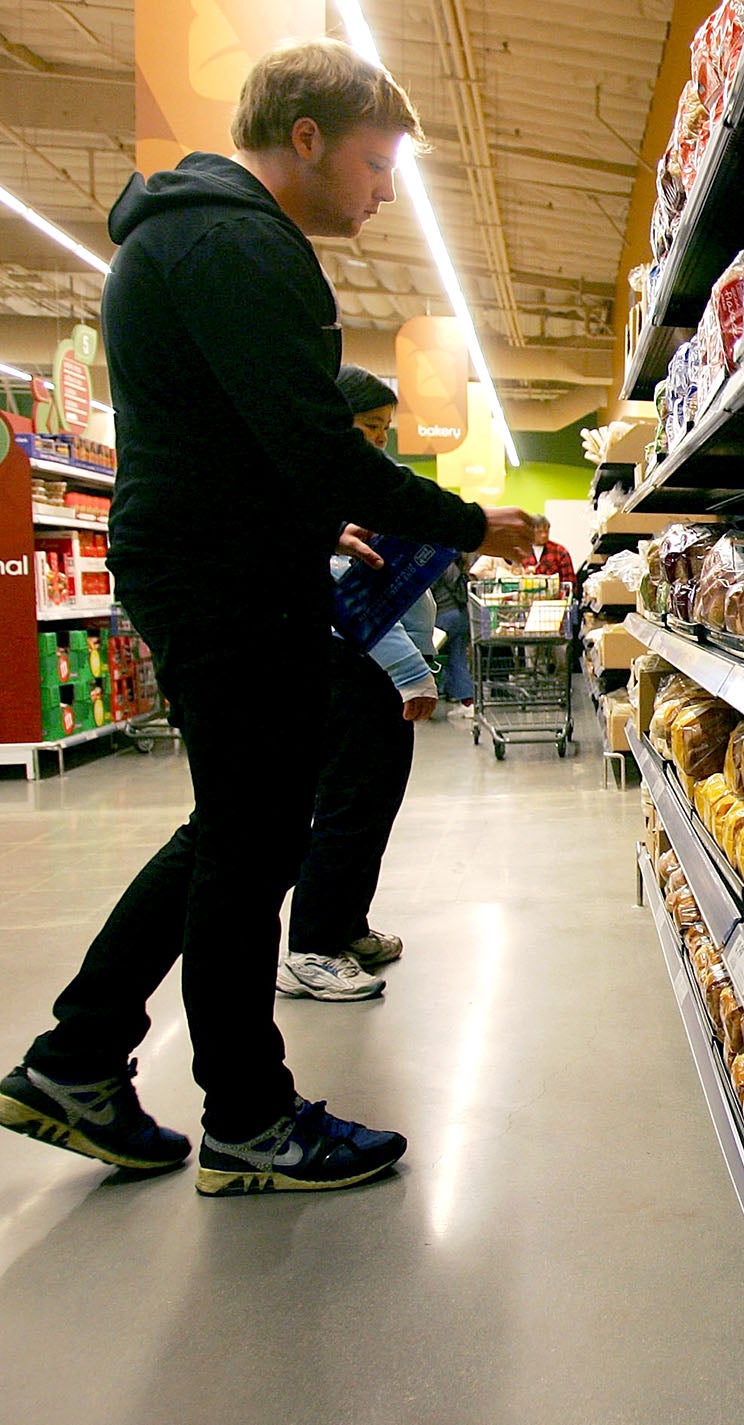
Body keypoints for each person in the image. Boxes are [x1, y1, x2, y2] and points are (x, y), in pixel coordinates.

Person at [0, 38, 534, 1196]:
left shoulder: (186, 234)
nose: (385, 190)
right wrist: (464, 520)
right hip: (222, 581)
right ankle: (247, 1117)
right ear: (307, 137)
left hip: (213, 561)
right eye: (376, 162)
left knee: (239, 832)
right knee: (252, 845)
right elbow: (308, 441)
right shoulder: (241, 243)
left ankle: (78, 1057)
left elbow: (246, 443)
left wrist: (308, 524)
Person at [278, 366, 439, 1002]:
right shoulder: (317, 491)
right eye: (368, 427)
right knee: (347, 806)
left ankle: (344, 927)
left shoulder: (346, 485)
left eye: (383, 431)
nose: (377, 442)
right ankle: (310, 948)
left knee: (373, 805)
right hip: (352, 669)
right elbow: (351, 602)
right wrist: (409, 670)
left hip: (371, 669)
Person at [430, 551, 474, 714]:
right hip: (461, 615)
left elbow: (427, 592)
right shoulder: (455, 565)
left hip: (443, 616)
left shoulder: (436, 564)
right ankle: (465, 699)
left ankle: (429, 697)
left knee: (430, 658)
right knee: (457, 657)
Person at [526, 514, 573, 589]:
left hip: (555, 599)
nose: (544, 535)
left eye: (546, 531)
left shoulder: (560, 551)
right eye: (539, 532)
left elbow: (569, 582)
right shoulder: (521, 552)